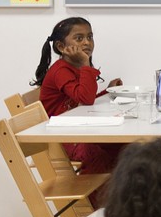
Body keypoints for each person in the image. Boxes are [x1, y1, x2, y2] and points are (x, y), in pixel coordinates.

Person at [32, 16, 124, 179]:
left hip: (75, 131)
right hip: (64, 139)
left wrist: (108, 91)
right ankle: (95, 201)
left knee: (124, 146)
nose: (87, 42)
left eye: (89, 37)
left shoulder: (73, 68)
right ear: (61, 46)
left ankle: (119, 196)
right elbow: (86, 99)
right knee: (98, 153)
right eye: (79, 38)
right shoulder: (61, 70)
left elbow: (81, 101)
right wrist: (85, 63)